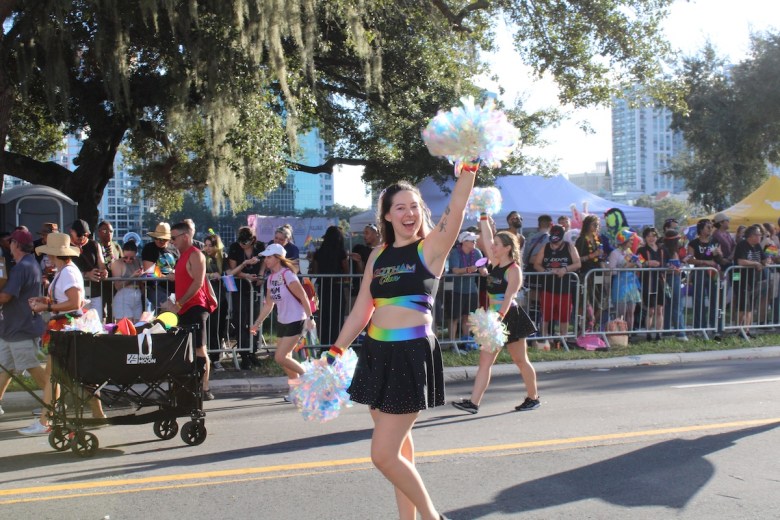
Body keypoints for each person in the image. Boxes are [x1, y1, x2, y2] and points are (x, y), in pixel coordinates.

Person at [330, 167, 476, 520]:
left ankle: (431, 516)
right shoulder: (377, 255)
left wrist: (469, 168)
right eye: (400, 207)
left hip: (410, 353)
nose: (409, 213)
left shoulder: (431, 248)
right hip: (376, 353)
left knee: (383, 455)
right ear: (387, 215)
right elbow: (362, 308)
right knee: (400, 452)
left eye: (414, 206)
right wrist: (335, 350)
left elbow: (456, 207)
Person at [452, 214, 538, 415]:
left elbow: (509, 297)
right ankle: (473, 403)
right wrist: (483, 216)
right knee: (485, 362)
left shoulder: (514, 270)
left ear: (507, 248)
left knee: (520, 360)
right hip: (493, 317)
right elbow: (488, 237)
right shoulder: (494, 262)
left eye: (497, 244)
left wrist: (499, 317)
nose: (492, 246)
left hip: (509, 317)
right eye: (494, 244)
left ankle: (533, 397)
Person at [20, 232, 105, 435]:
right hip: (65, 328)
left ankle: (45, 421)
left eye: (49, 252)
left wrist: (47, 307)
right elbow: (68, 300)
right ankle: (97, 414)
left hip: (67, 329)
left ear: (54, 254)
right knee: (65, 376)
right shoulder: (65, 271)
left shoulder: (67, 272)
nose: (47, 256)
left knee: (53, 376)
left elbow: (75, 303)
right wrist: (45, 301)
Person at [161, 222, 218, 401]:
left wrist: (178, 304)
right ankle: (189, 388)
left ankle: (204, 389)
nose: (171, 241)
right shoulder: (183, 256)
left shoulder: (195, 254)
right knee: (188, 349)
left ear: (185, 236)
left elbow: (198, 282)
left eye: (173, 237)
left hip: (196, 307)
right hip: (185, 307)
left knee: (200, 349)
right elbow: (186, 280)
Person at [249, 243, 314, 390]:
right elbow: (269, 305)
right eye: (265, 257)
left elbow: (303, 297)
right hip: (282, 321)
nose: (266, 260)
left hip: (296, 319)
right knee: (285, 359)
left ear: (278, 258)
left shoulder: (288, 275)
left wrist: (310, 318)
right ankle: (296, 391)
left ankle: (309, 376)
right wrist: (257, 323)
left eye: (269, 257)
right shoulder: (271, 278)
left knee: (280, 357)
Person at [0, 230, 46, 417]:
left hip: (21, 328)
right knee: (5, 368)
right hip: (13, 328)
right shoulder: (30, 263)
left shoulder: (21, 267)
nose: (9, 245)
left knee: (33, 367)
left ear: (16, 245)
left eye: (11, 242)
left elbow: (5, 296)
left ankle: (54, 403)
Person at [533, 224, 581, 345]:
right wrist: (546, 271)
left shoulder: (569, 247)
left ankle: (563, 339)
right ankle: (544, 338)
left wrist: (565, 269)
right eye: (553, 241)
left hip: (564, 288)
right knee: (546, 314)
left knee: (564, 315)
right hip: (548, 287)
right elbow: (537, 264)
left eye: (557, 241)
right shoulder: (545, 247)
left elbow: (577, 263)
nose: (555, 244)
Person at [227, 226, 265, 370]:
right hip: (239, 288)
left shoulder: (260, 247)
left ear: (253, 240)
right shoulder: (234, 248)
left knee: (255, 320)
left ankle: (253, 352)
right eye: (240, 241)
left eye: (245, 242)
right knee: (241, 320)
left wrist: (260, 275)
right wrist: (246, 275)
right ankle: (243, 354)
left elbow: (264, 261)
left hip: (255, 289)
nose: (242, 244)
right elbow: (232, 270)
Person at [309, 226, 348, 345]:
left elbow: (315, 272)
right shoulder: (341, 252)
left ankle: (324, 343)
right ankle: (337, 343)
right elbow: (346, 271)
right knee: (337, 316)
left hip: (324, 287)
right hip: (337, 287)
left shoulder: (319, 252)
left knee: (324, 316)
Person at [446, 231, 484, 349]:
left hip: (471, 290)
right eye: (472, 240)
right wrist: (468, 269)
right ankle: (452, 343)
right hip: (456, 290)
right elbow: (455, 270)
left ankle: (466, 342)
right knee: (454, 318)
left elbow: (481, 267)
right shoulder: (455, 253)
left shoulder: (477, 252)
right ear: (463, 241)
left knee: (467, 317)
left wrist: (484, 271)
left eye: (475, 240)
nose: (474, 242)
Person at [687, 219, 723, 336]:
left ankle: (715, 327)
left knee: (715, 300)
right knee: (698, 300)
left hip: (713, 273)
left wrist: (719, 254)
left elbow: (720, 257)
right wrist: (705, 262)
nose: (710, 229)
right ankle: (699, 328)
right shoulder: (693, 243)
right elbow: (690, 259)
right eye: (708, 227)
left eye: (711, 227)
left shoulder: (715, 241)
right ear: (701, 229)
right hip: (699, 272)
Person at [70, 219, 109, 322]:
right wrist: (86, 274)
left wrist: (104, 272)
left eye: (84, 235)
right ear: (71, 232)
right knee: (80, 324)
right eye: (79, 234)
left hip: (95, 292)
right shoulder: (66, 246)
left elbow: (101, 265)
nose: (81, 237)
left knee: (97, 323)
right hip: (76, 294)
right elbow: (66, 270)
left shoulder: (94, 245)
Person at [733, 225, 767, 336]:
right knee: (743, 305)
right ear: (751, 236)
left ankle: (747, 330)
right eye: (758, 234)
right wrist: (756, 263)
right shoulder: (742, 245)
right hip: (741, 279)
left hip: (754, 280)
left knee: (751, 307)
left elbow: (764, 259)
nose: (760, 236)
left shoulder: (757, 246)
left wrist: (766, 261)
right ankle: (739, 330)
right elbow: (741, 261)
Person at [607, 229, 642, 333]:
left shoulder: (630, 252)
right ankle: (620, 334)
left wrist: (638, 264)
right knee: (621, 313)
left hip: (631, 284)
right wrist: (625, 267)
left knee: (631, 312)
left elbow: (640, 265)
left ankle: (629, 334)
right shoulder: (614, 253)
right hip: (620, 284)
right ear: (624, 240)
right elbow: (612, 270)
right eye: (630, 240)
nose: (632, 242)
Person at [575, 215, 606, 331]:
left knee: (601, 300)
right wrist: (592, 255)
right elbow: (577, 259)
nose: (597, 226)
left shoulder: (598, 239)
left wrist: (603, 264)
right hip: (586, 274)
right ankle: (583, 327)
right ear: (587, 225)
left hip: (597, 273)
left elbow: (600, 257)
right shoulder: (581, 240)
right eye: (594, 224)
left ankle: (593, 326)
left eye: (598, 224)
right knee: (586, 301)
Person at [204, 232, 230, 369]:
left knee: (220, 328)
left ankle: (216, 357)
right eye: (206, 245)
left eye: (210, 245)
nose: (207, 248)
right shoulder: (202, 257)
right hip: (207, 298)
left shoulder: (223, 258)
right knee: (210, 328)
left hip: (221, 298)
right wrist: (210, 275)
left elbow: (229, 273)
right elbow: (197, 274)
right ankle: (210, 358)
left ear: (217, 246)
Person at [637, 227, 665, 341]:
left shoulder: (662, 249)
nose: (651, 238)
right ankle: (648, 333)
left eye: (653, 235)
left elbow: (667, 262)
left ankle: (659, 334)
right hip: (648, 282)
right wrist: (648, 263)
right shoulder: (641, 250)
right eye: (648, 236)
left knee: (659, 309)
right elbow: (638, 262)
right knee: (650, 310)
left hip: (660, 281)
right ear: (645, 238)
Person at [142, 222, 178, 311]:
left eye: (163, 239)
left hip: (174, 289)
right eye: (156, 238)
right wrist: (167, 277)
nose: (159, 241)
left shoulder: (175, 249)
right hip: (154, 288)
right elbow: (148, 273)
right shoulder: (149, 248)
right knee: (171, 310)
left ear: (169, 239)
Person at [110, 240, 144, 321]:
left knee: (138, 326)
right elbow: (117, 286)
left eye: (131, 258)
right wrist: (132, 277)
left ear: (135, 254)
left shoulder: (137, 262)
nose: (128, 260)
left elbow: (141, 283)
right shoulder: (117, 263)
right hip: (123, 298)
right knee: (126, 327)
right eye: (125, 257)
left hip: (137, 297)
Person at [349, 223, 380, 296]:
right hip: (366, 290)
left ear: (376, 233)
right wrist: (359, 262)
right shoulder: (362, 251)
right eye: (364, 233)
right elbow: (361, 273)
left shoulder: (385, 249)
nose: (364, 236)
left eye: (367, 233)